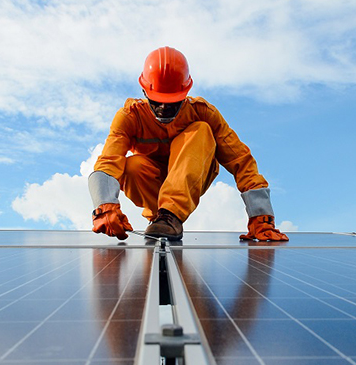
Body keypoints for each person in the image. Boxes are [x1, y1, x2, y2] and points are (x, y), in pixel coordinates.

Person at [88, 46, 289, 242]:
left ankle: (171, 216)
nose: (164, 109)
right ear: (144, 91)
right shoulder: (129, 117)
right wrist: (104, 205)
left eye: (172, 102)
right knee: (131, 166)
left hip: (194, 172)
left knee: (201, 130)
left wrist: (261, 217)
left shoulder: (203, 112)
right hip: (153, 188)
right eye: (157, 101)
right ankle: (161, 217)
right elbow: (108, 162)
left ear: (185, 92)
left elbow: (241, 160)